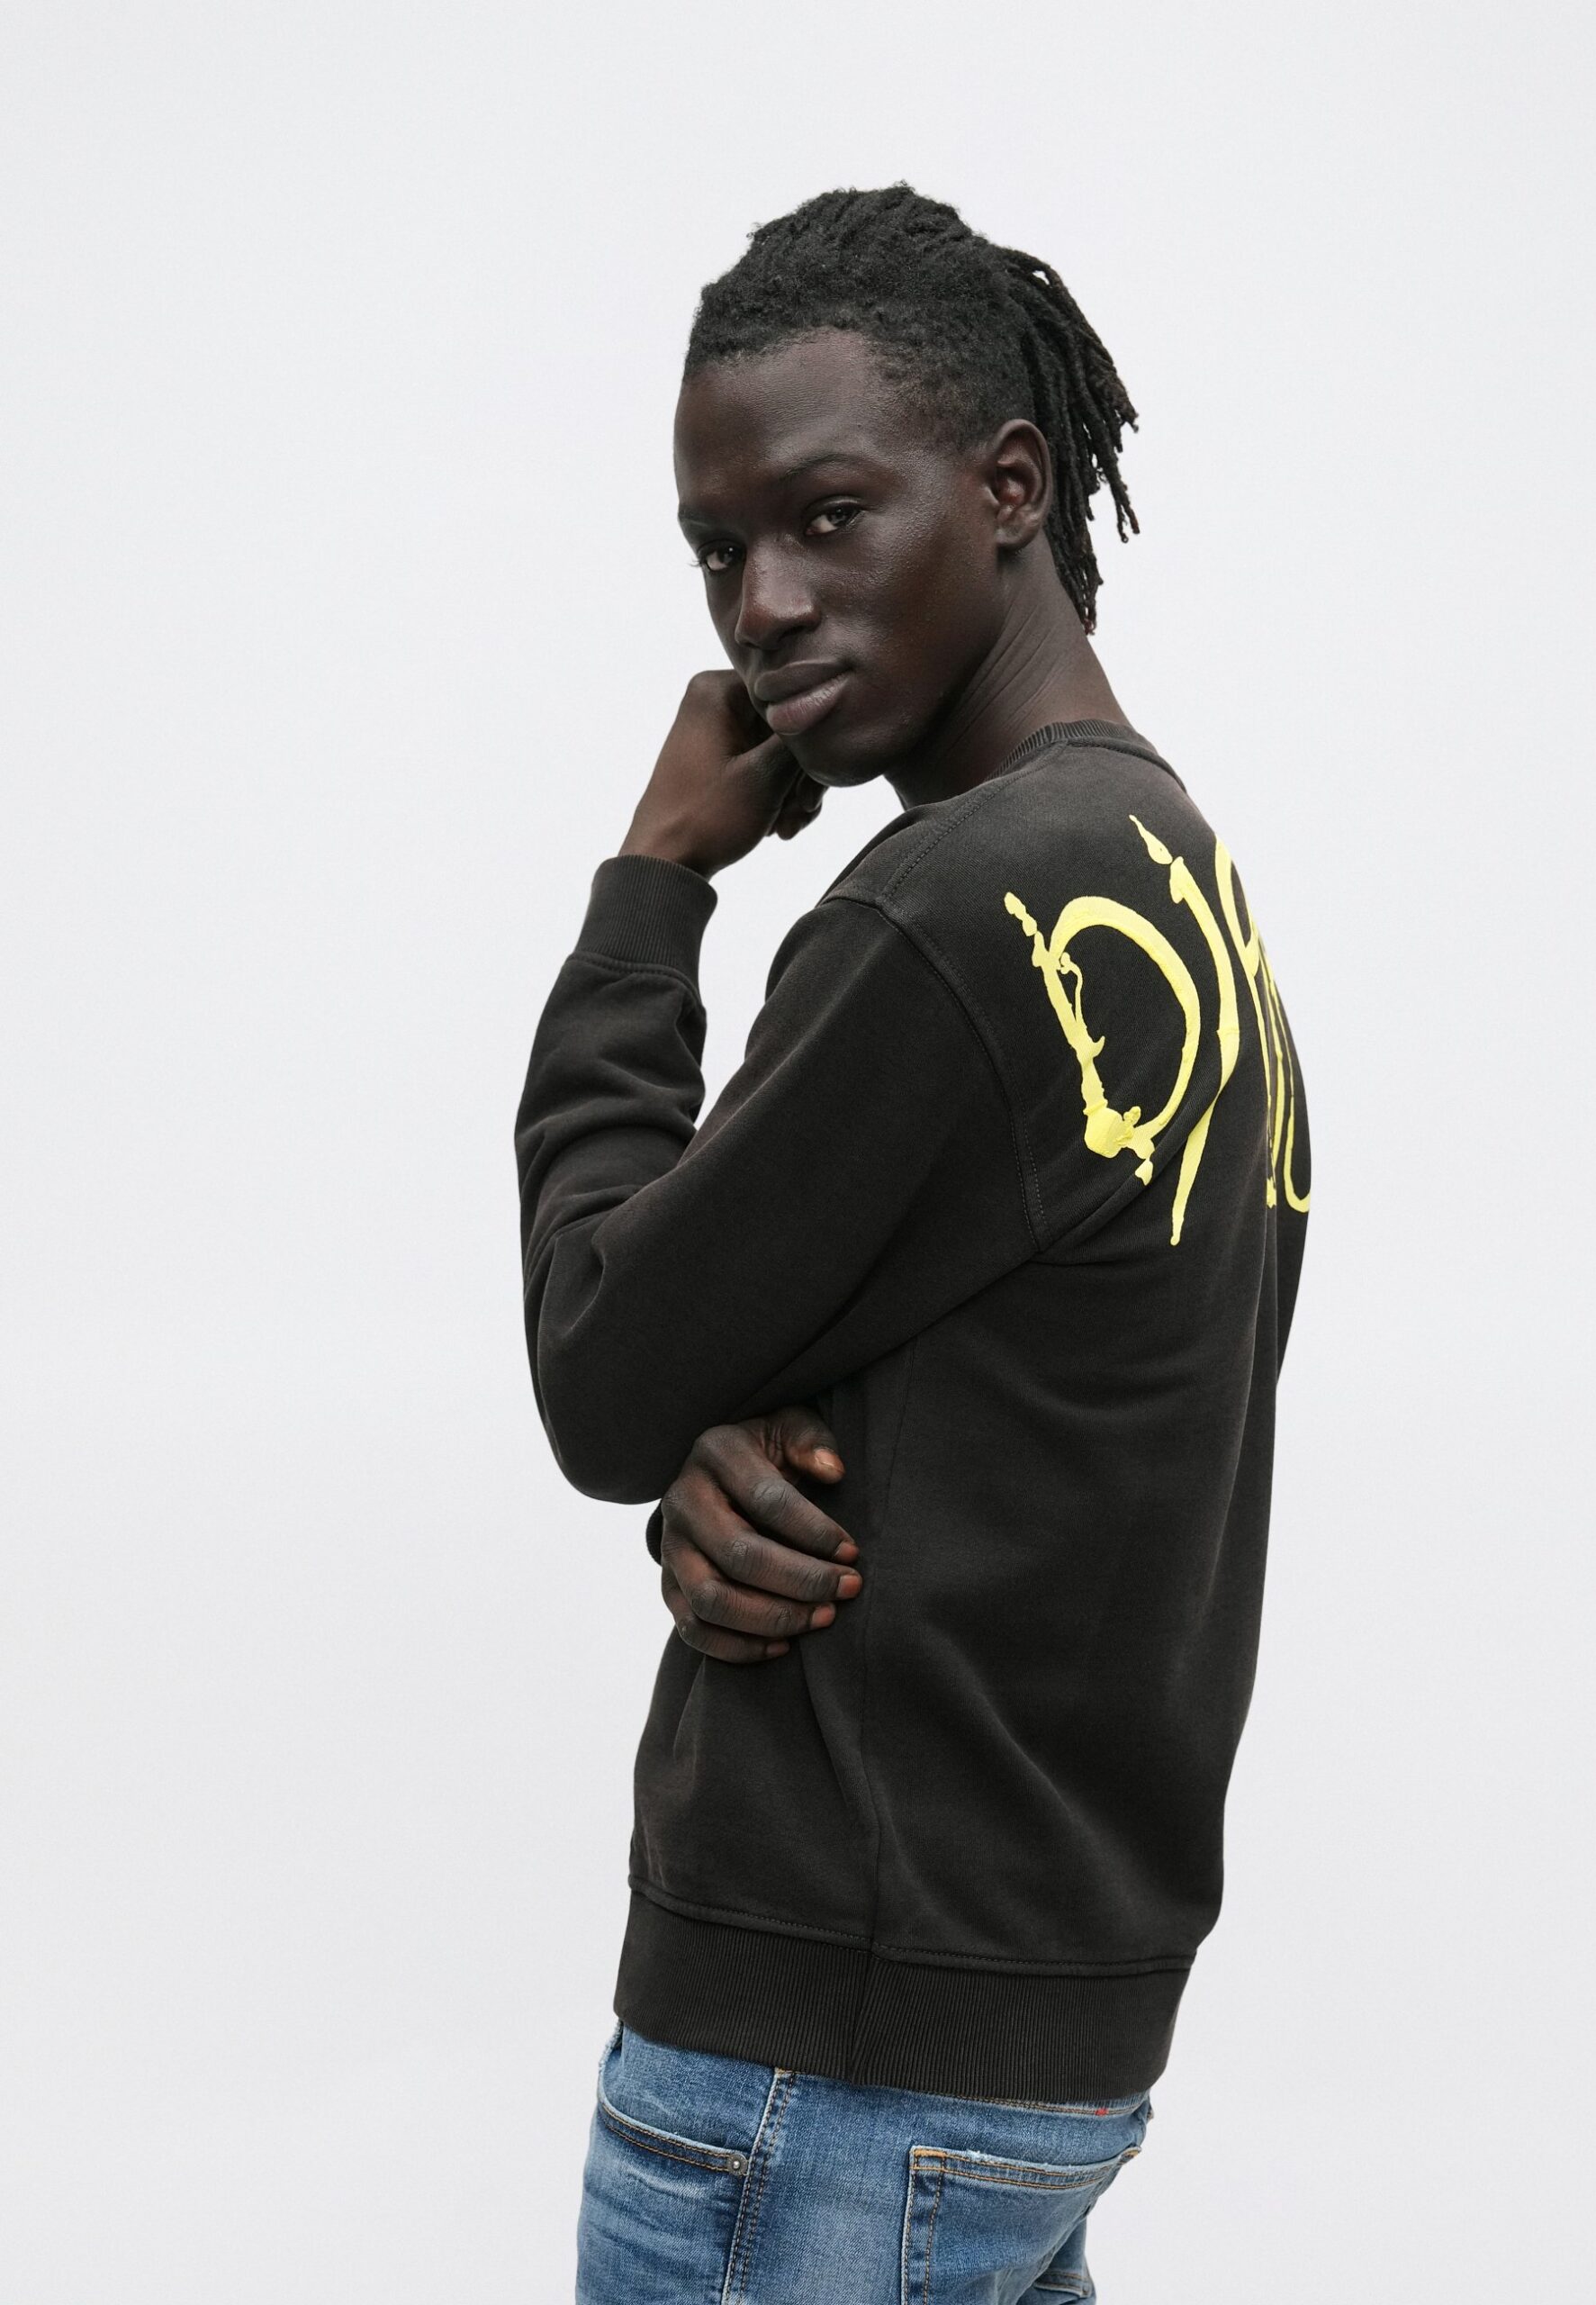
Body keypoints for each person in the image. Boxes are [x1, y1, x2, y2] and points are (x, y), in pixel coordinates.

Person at [515, 184, 1311, 2303]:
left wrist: (653, 881)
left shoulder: (947, 908)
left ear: (1010, 486)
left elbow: (596, 1359)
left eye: (826, 515)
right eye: (716, 551)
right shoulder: (1172, 877)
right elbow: (1046, 1393)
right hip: (1033, 2049)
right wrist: (724, 1434)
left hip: (819, 2069)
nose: (760, 606)